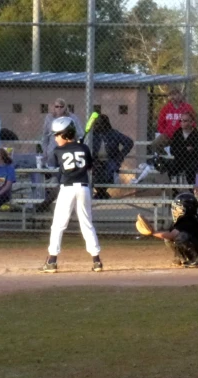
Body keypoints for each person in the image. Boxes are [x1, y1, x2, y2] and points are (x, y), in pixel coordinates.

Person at [39, 116, 102, 274]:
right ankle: (97, 261)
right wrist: (77, 148)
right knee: (87, 224)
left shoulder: (58, 150)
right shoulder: (84, 148)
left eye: (57, 135)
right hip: (83, 188)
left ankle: (52, 261)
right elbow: (88, 167)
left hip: (67, 188)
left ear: (66, 134)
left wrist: (71, 148)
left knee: (58, 225)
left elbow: (59, 166)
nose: (55, 138)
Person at [134, 192, 198, 268]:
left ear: (185, 209)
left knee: (180, 237)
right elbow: (169, 234)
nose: (174, 210)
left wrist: (153, 233)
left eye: (177, 208)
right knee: (168, 239)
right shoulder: (182, 220)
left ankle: (196, 260)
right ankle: (183, 258)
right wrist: (154, 231)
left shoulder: (187, 220)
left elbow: (172, 235)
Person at [91, 114, 133, 200]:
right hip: (96, 160)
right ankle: (101, 193)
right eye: (96, 124)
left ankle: (101, 193)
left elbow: (129, 142)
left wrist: (120, 156)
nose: (97, 126)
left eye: (99, 123)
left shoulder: (113, 133)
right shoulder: (92, 135)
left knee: (110, 169)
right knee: (94, 169)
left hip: (111, 159)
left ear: (105, 124)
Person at [41, 98, 83, 168]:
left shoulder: (72, 117)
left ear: (65, 107)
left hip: (67, 148)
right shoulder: (49, 118)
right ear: (54, 107)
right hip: (52, 149)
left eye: (61, 106)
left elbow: (79, 133)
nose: (59, 108)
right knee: (53, 170)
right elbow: (45, 135)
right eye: (57, 106)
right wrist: (45, 150)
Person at [152, 87, 194, 155]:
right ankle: (166, 160)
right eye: (170, 95)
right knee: (155, 144)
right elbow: (160, 123)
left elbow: (193, 122)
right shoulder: (166, 108)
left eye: (175, 94)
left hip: (182, 136)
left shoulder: (187, 107)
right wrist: (165, 133)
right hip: (168, 136)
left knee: (180, 149)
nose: (172, 97)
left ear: (180, 95)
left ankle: (178, 162)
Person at [169, 111, 198, 186]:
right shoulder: (177, 133)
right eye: (181, 121)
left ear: (191, 122)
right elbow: (172, 150)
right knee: (171, 168)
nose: (182, 123)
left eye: (185, 121)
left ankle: (191, 190)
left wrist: (180, 149)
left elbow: (196, 151)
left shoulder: (196, 134)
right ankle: (175, 191)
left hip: (192, 160)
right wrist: (186, 149)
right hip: (179, 159)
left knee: (191, 169)